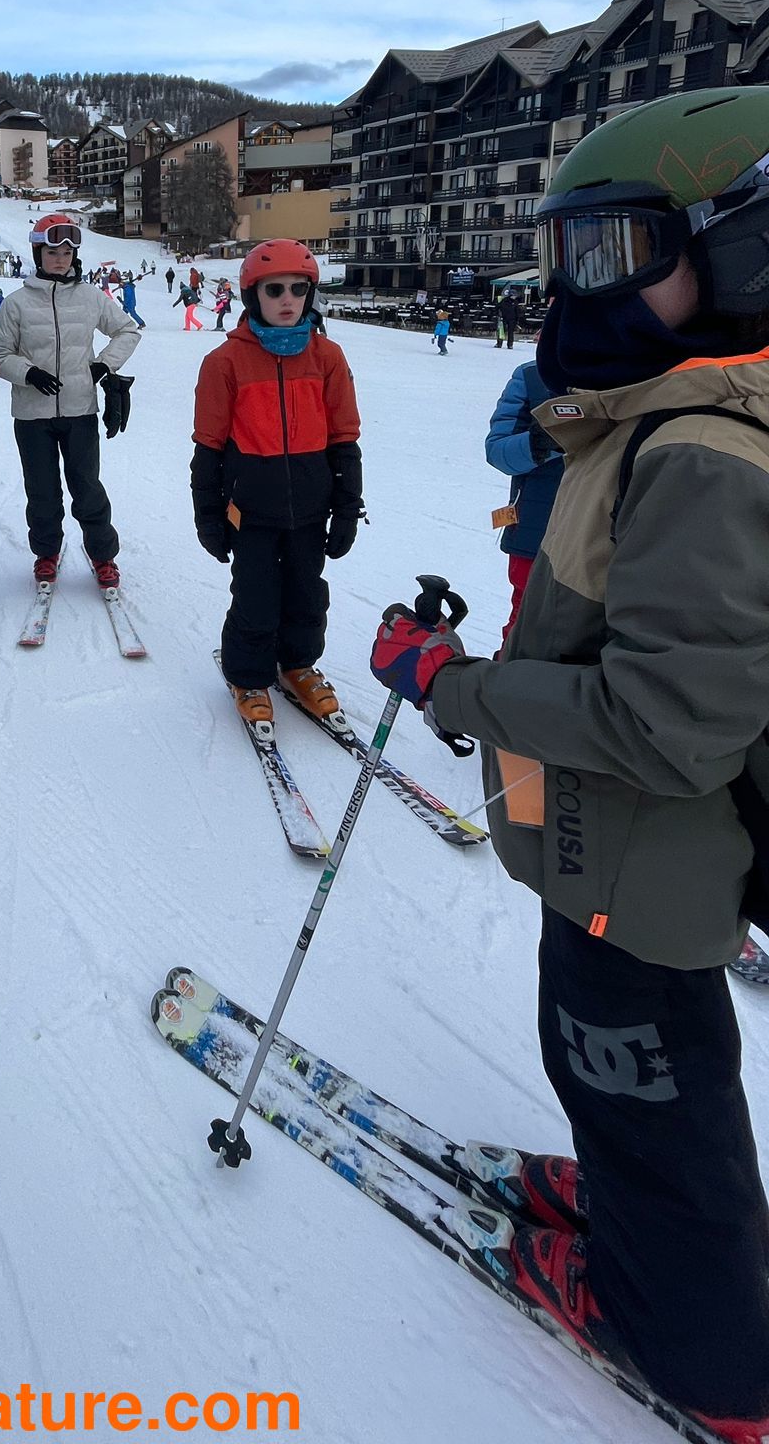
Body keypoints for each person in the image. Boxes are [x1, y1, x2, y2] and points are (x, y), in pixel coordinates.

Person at [367, 87, 769, 1439]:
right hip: (626, 856)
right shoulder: (674, 403)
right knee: (635, 1076)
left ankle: (701, 1355)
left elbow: (665, 725)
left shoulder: (703, 448)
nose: (580, 289)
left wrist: (450, 684)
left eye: (617, 251)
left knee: (639, 1073)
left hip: (644, 865)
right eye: (570, 254)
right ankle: (645, 1209)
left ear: (741, 245)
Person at [191, 239, 362, 740]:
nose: (288, 299)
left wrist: (346, 509)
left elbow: (344, 438)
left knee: (308, 594)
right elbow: (208, 446)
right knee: (256, 596)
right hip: (251, 509)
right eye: (274, 290)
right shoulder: (225, 362)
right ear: (253, 295)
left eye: (298, 289)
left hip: (311, 507)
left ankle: (298, 664)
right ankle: (248, 675)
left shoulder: (327, 357)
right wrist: (208, 514)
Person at [0, 214, 140, 587]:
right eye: (53, 252)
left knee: (87, 489)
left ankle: (103, 556)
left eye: (67, 253)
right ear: (38, 254)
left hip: (79, 410)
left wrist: (103, 364)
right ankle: (46, 554)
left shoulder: (90, 297)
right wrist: (29, 374)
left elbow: (127, 330)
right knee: (42, 491)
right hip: (32, 416)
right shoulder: (17, 303)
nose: (60, 259)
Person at [484, 358, 562, 636]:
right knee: (527, 628)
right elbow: (498, 451)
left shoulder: (639, 371)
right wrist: (540, 443)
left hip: (611, 536)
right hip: (535, 534)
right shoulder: (533, 375)